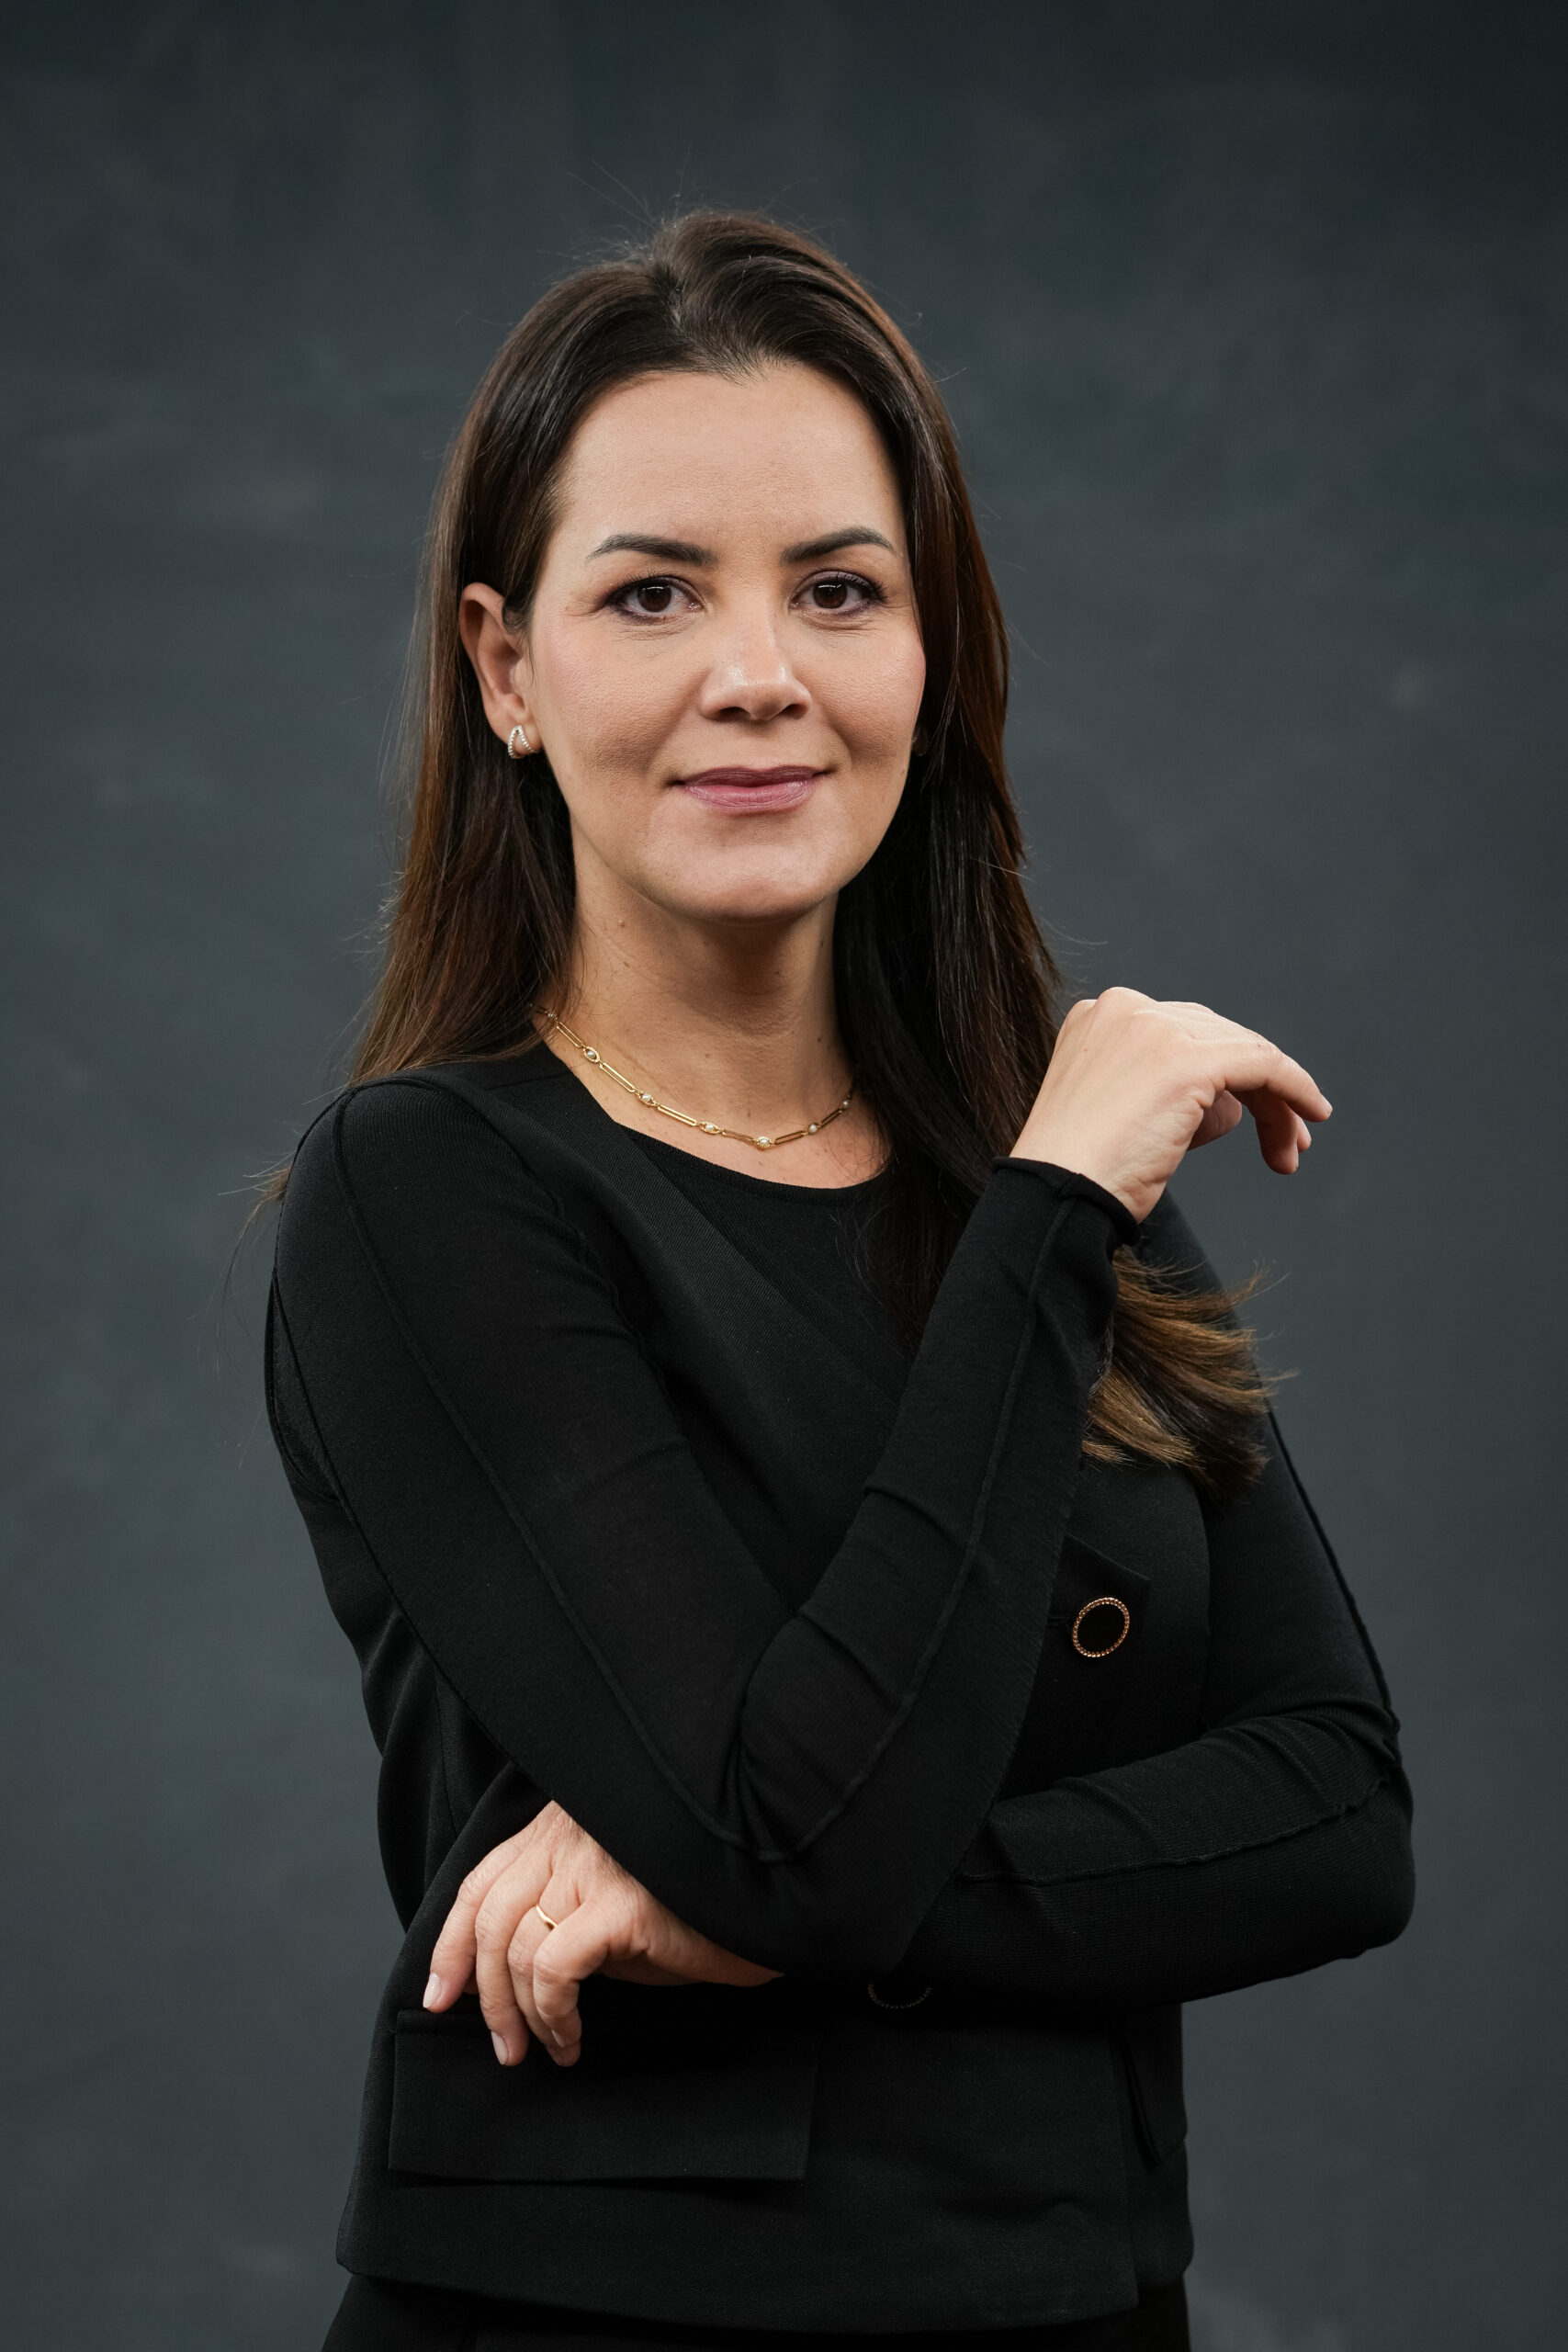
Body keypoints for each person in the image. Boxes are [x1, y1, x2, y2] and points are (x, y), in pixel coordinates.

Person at [264, 212, 1414, 2352]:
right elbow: (794, 1832)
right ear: (505, 669)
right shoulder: (427, 1192)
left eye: (838, 588)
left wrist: (735, 1902)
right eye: (651, 592)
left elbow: (1338, 1814)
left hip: (1073, 2292)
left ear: (928, 651)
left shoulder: (1029, 1163)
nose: (758, 674)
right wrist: (1052, 1204)